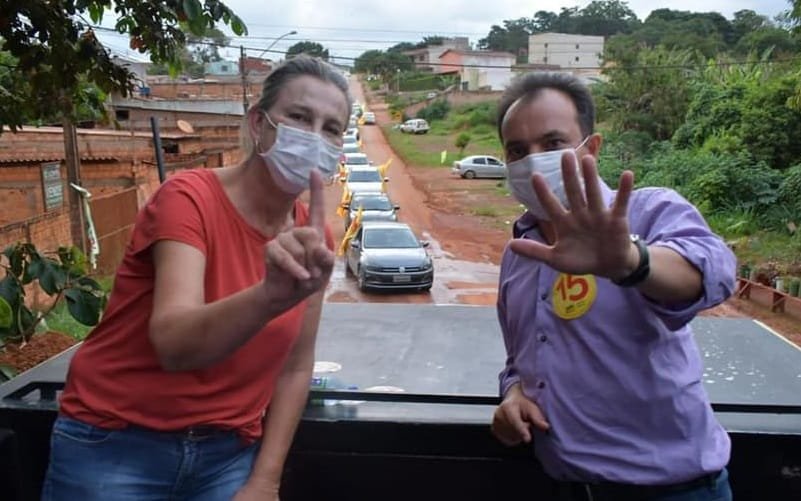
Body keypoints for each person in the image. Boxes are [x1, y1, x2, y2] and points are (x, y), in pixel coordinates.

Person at [42, 55, 352, 500]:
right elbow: (175, 345)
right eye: (300, 117)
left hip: (227, 454)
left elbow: (296, 365)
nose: (314, 137)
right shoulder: (189, 199)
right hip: (116, 445)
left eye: (331, 128)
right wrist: (269, 296)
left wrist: (266, 479)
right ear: (260, 124)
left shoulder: (312, 236)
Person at [490, 72, 736, 501]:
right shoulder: (520, 252)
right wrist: (512, 393)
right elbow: (520, 357)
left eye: (552, 144)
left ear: (592, 148)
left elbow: (712, 272)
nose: (533, 161)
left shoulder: (649, 212)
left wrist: (629, 261)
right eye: (517, 151)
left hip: (672, 492)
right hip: (560, 484)